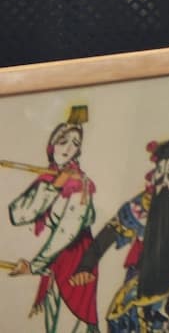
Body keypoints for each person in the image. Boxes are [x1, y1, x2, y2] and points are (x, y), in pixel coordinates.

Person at [77, 138, 169, 333]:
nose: (165, 184)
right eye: (160, 179)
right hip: (142, 279)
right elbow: (107, 235)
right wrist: (86, 266)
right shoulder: (140, 206)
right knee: (120, 317)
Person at [5, 109, 98, 333]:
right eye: (63, 141)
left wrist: (34, 266)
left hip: (78, 263)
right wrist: (53, 187)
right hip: (56, 262)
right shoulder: (49, 178)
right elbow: (19, 215)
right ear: (52, 145)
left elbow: (67, 232)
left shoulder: (80, 184)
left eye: (75, 144)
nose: (68, 149)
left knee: (70, 325)